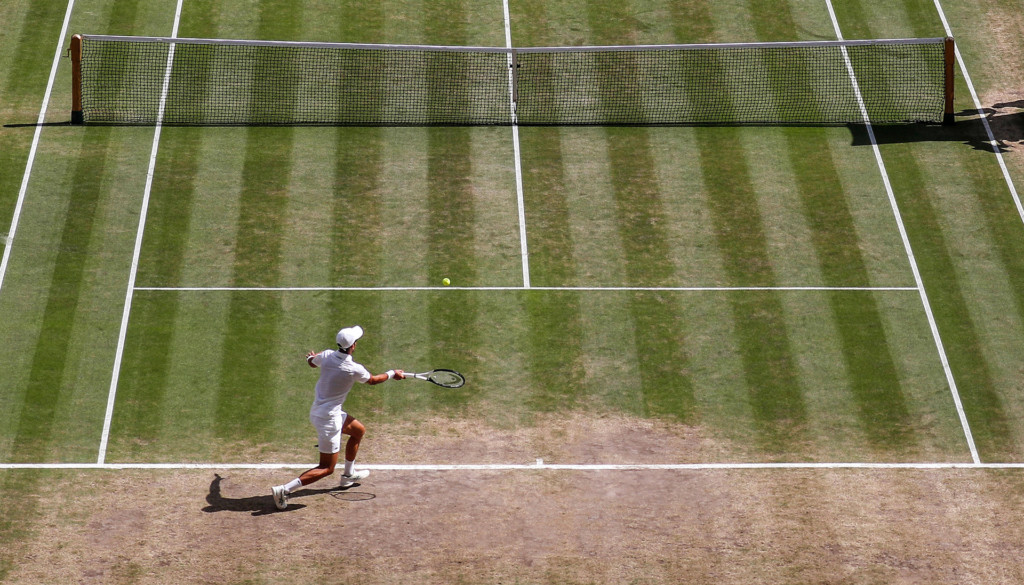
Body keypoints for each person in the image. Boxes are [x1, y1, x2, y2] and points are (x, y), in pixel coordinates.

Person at [272, 325, 404, 510]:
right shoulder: (353, 368)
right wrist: (392, 373)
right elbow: (373, 380)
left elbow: (312, 362)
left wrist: (311, 357)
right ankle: (284, 490)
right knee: (326, 468)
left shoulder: (326, 355)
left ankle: (348, 475)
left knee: (358, 431)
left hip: (321, 411)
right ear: (353, 346)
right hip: (329, 419)